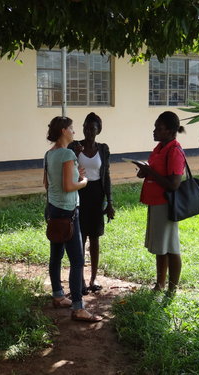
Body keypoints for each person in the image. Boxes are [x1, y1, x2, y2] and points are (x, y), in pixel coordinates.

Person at [44, 116, 102, 322]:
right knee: (77, 261)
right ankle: (78, 307)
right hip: (68, 211)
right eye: (71, 128)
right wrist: (84, 181)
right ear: (63, 131)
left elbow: (47, 182)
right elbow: (69, 186)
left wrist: (74, 175)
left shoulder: (49, 154)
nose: (74, 132)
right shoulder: (68, 153)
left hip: (53, 210)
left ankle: (58, 295)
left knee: (56, 256)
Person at [135, 111, 186, 294]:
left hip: (166, 204)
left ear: (171, 131)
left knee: (171, 246)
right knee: (160, 247)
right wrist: (144, 171)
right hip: (155, 202)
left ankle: (172, 288)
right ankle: (160, 283)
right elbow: (155, 171)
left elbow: (173, 184)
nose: (154, 130)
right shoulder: (159, 149)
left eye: (159, 127)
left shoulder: (174, 151)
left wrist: (151, 173)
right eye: (155, 126)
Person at [69, 112, 115, 294]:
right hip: (79, 193)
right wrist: (74, 153)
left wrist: (109, 202)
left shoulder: (103, 149)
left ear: (98, 130)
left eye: (92, 128)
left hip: (97, 194)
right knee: (80, 238)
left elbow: (107, 176)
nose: (88, 131)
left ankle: (93, 278)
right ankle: (79, 279)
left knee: (94, 238)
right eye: (86, 128)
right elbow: (68, 166)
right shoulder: (75, 147)